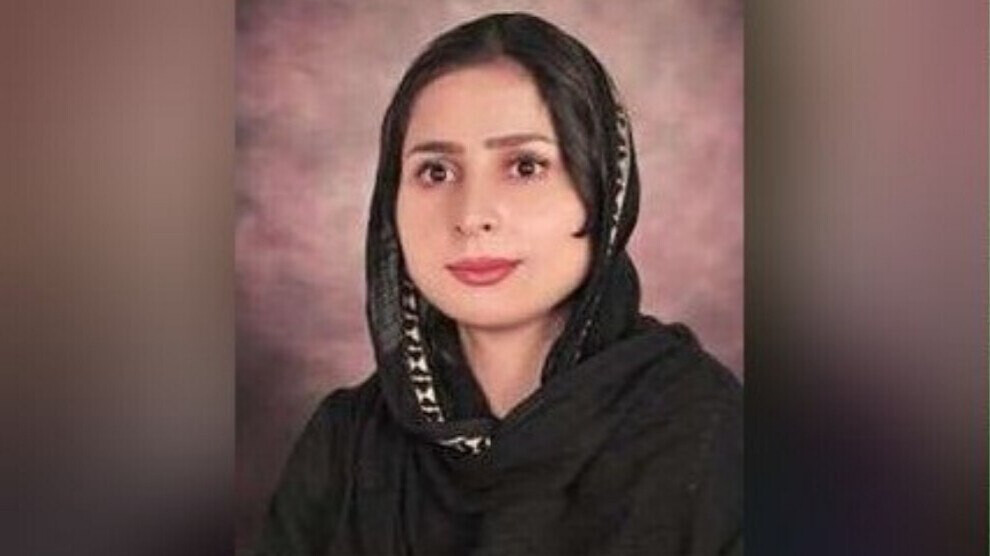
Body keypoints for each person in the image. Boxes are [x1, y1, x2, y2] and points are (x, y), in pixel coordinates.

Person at [255, 12, 741, 556]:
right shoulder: (345, 445)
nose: (472, 216)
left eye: (525, 167)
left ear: (605, 189)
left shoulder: (710, 433)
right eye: (436, 171)